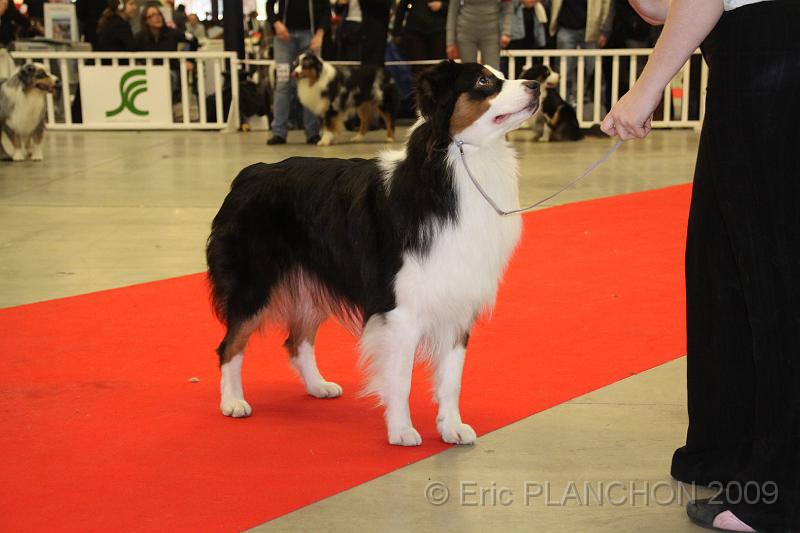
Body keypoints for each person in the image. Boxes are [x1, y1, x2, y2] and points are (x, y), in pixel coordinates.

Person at [601, 1, 799, 531]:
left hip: (772, 48)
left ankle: (783, 494)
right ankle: (735, 452)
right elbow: (657, 8)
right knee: (724, 271)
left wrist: (647, 85)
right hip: (747, 50)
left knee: (774, 276)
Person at [265, 0, 329, 145]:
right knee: (282, 82)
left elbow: (326, 9)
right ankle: (278, 132)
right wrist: (276, 23)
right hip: (283, 36)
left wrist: (320, 34)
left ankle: (312, 132)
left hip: (310, 36)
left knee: (312, 83)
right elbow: (269, 4)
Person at [549, 0, 613, 106]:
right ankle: (561, 108)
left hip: (592, 29)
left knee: (595, 72)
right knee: (563, 73)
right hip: (566, 27)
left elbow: (607, 4)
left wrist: (605, 30)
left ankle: (600, 109)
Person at [446, 0, 513, 70]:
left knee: (493, 71)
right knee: (468, 72)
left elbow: (508, 7)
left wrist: (506, 32)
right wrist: (450, 42)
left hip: (492, 33)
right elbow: (452, 11)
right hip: (465, 33)